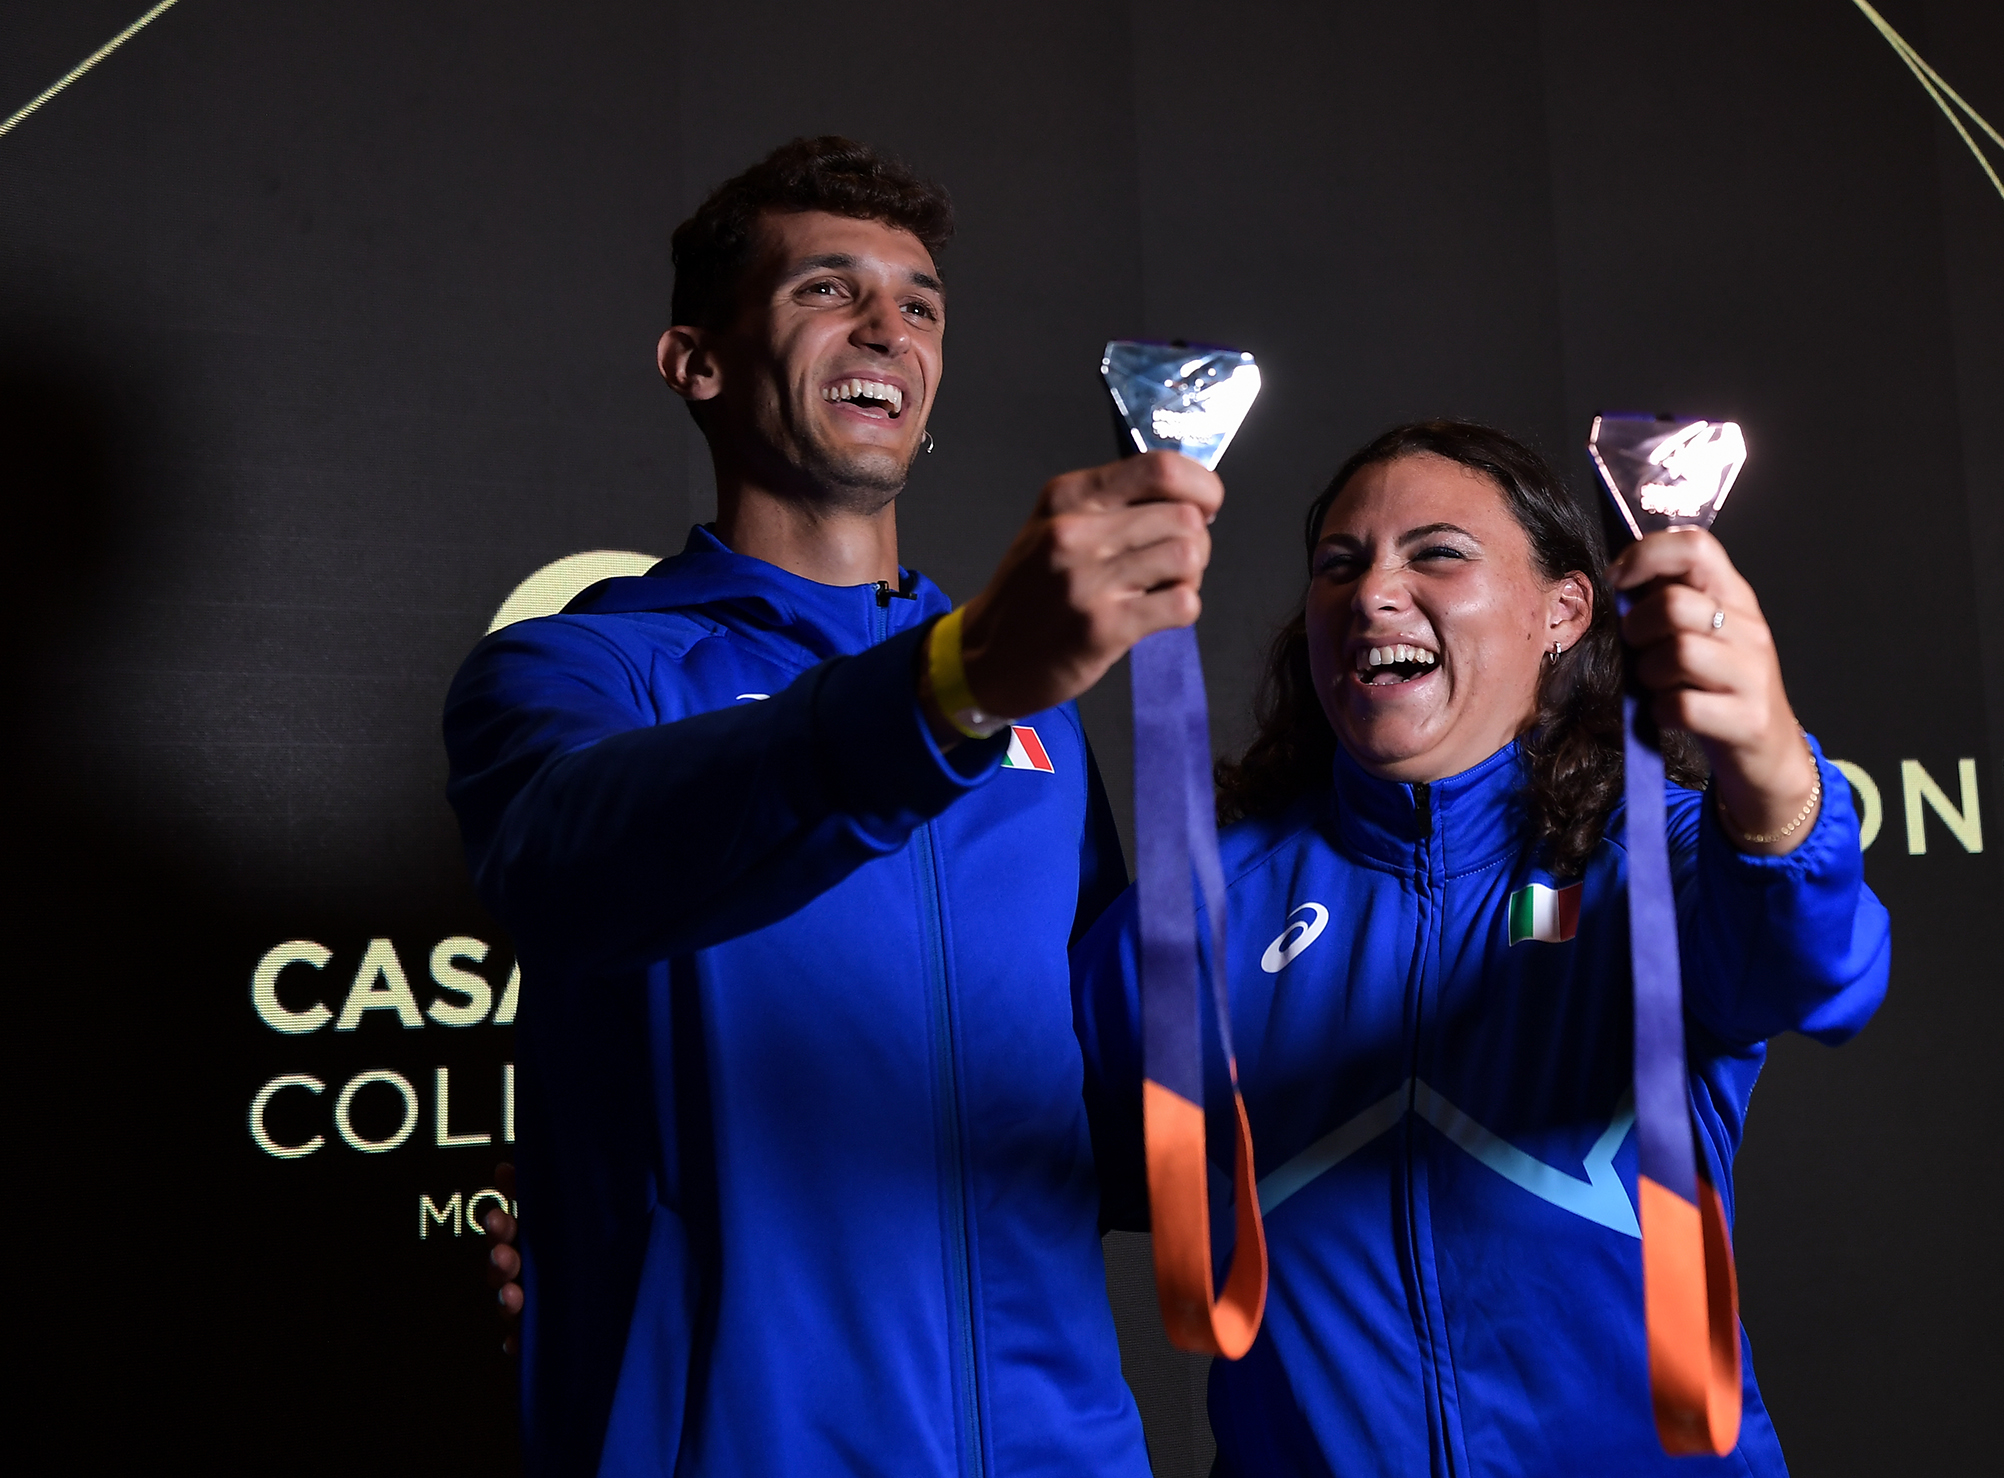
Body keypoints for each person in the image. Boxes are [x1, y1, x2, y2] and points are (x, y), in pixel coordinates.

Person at [445, 136, 1219, 1476]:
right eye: (825, 289)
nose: (886, 328)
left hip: (1064, 1447)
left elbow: (1117, 1107)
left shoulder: (1032, 704)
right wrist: (946, 689)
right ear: (696, 361)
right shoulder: (580, 670)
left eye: (920, 305)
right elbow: (573, 864)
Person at [1071, 421, 1890, 1474]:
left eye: (1438, 553)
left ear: (1564, 612)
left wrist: (1770, 769)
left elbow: (1820, 969)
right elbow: (1011, 1177)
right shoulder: (1196, 914)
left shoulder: (1650, 861)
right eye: (1340, 564)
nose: (1374, 593)